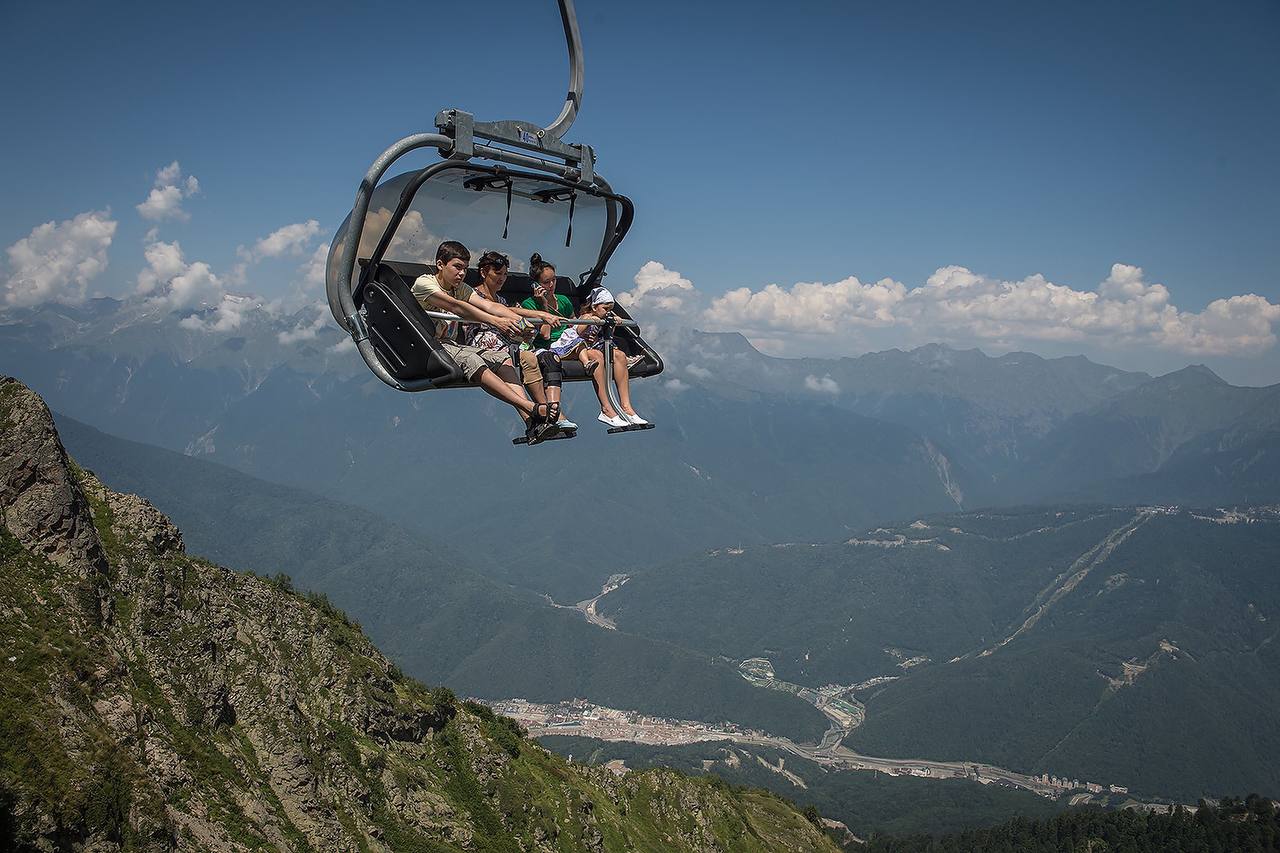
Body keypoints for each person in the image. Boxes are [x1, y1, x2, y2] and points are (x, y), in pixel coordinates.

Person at [411, 240, 558, 443]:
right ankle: (530, 407)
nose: (461, 274)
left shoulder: (460, 288)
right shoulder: (425, 283)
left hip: (450, 345)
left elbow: (490, 306)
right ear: (440, 265)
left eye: (464, 269)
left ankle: (532, 423)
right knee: (473, 360)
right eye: (457, 267)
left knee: (503, 359)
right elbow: (456, 307)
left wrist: (523, 323)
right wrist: (497, 322)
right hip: (428, 345)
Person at [467, 250, 578, 432]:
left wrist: (524, 332)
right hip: (485, 340)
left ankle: (548, 413)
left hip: (506, 341)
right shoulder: (473, 294)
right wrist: (541, 313)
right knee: (511, 359)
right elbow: (500, 311)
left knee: (529, 358)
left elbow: (510, 313)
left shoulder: (501, 298)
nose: (502, 279)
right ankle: (534, 417)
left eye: (504, 274)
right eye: (497, 274)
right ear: (484, 272)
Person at [574, 286, 648, 427]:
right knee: (597, 356)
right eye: (605, 309)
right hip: (581, 347)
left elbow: (608, 336)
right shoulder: (587, 316)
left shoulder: (604, 317)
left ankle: (626, 407)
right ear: (595, 307)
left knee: (619, 355)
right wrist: (590, 320)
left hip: (597, 345)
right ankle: (606, 409)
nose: (608, 312)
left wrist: (612, 323)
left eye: (610, 309)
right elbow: (577, 332)